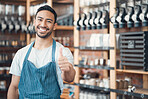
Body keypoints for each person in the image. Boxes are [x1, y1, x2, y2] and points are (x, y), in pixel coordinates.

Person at [7, 5, 75, 99]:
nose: (43, 24)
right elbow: (14, 87)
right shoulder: (21, 53)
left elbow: (69, 78)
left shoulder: (62, 52)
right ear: (34, 22)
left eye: (49, 21)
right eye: (40, 19)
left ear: (55, 26)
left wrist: (68, 69)